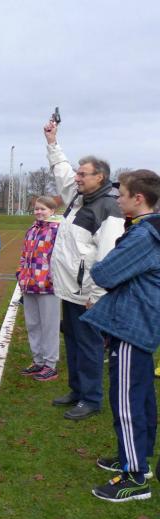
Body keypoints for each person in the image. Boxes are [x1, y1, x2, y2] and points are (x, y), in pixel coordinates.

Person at [81, 169, 160, 502]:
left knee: (127, 400)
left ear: (138, 198)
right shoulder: (147, 229)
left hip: (132, 323)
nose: (118, 199)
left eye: (122, 194)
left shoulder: (143, 235)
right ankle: (138, 457)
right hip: (140, 320)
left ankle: (134, 475)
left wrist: (104, 265)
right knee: (141, 396)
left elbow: (104, 272)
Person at [43, 119, 124, 420]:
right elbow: (62, 171)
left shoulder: (108, 208)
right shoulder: (80, 197)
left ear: (99, 177)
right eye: (77, 173)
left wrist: (96, 294)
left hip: (88, 294)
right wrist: (53, 142)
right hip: (70, 289)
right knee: (74, 342)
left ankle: (91, 399)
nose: (76, 177)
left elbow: (107, 256)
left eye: (82, 173)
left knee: (89, 345)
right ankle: (77, 390)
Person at [17, 196, 62, 382]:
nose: (39, 212)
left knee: (49, 326)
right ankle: (38, 360)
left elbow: (60, 258)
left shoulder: (57, 230)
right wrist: (21, 275)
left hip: (48, 287)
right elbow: (24, 255)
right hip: (29, 285)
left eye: (43, 209)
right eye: (36, 209)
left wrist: (53, 278)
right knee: (33, 324)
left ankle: (50, 364)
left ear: (52, 211)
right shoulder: (32, 230)